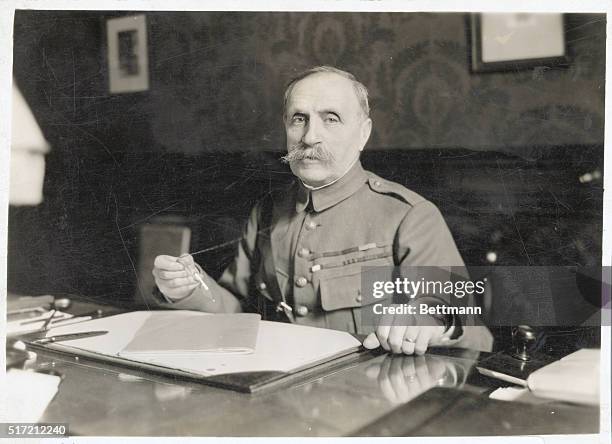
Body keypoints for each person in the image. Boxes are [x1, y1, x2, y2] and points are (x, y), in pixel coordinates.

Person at [150, 66, 493, 355]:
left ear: (363, 134)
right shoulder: (267, 212)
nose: (310, 136)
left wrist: (427, 325)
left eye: (331, 119)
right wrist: (189, 290)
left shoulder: (409, 216)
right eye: (299, 119)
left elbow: (472, 330)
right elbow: (239, 310)